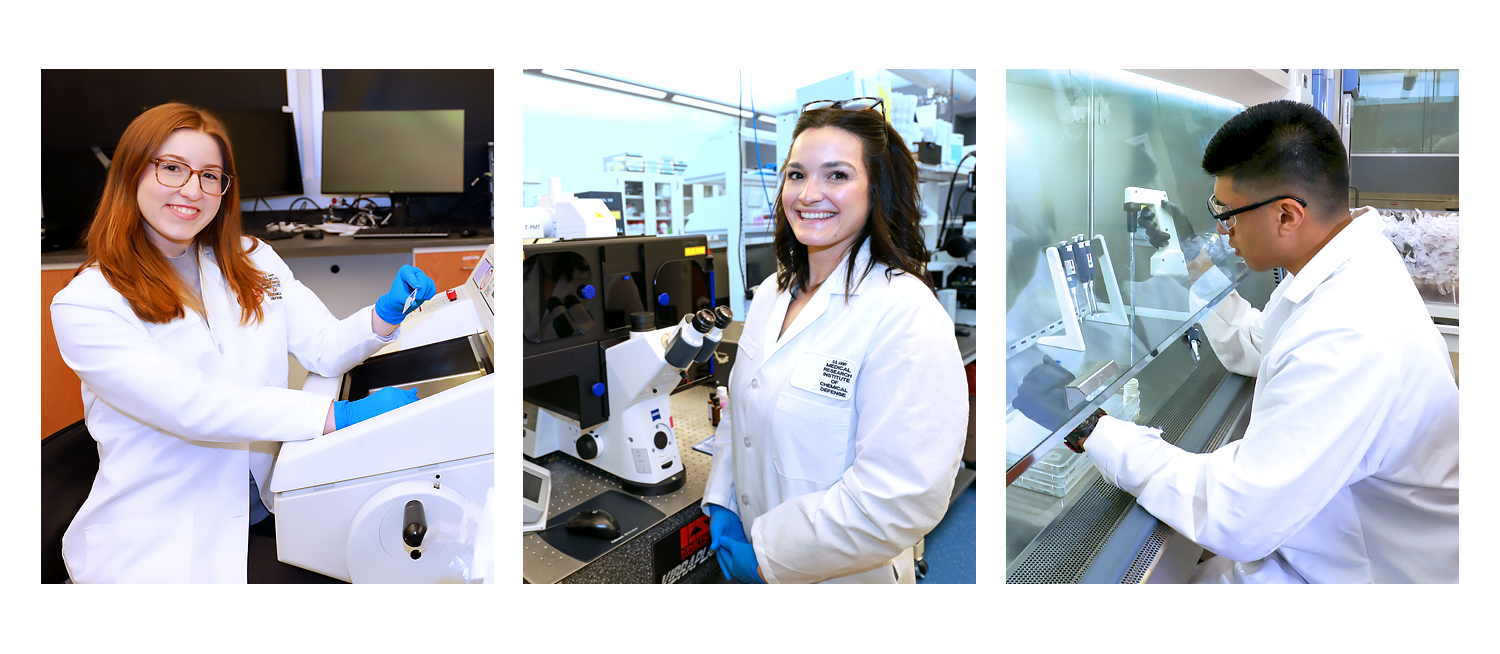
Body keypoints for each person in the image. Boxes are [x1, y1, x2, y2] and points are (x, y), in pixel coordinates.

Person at [1021, 100, 1459, 583]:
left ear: (1287, 216)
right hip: (1331, 536)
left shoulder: (1347, 333)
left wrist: (1091, 428)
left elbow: (1236, 513)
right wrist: (1191, 258)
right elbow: (1260, 343)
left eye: (1227, 214)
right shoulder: (1347, 269)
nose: (1220, 229)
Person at [50, 103, 438, 583]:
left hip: (262, 506)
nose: (193, 189)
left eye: (211, 176)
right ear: (131, 173)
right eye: (172, 168)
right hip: (167, 539)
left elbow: (321, 345)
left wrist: (381, 318)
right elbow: (190, 406)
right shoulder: (87, 303)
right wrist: (333, 417)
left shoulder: (252, 259)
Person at [701, 98, 968, 584]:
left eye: (837, 175)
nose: (808, 193)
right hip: (751, 539)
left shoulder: (904, 312)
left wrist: (770, 557)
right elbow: (740, 410)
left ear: (876, 192)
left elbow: (901, 495)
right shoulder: (770, 295)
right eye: (797, 174)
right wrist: (722, 498)